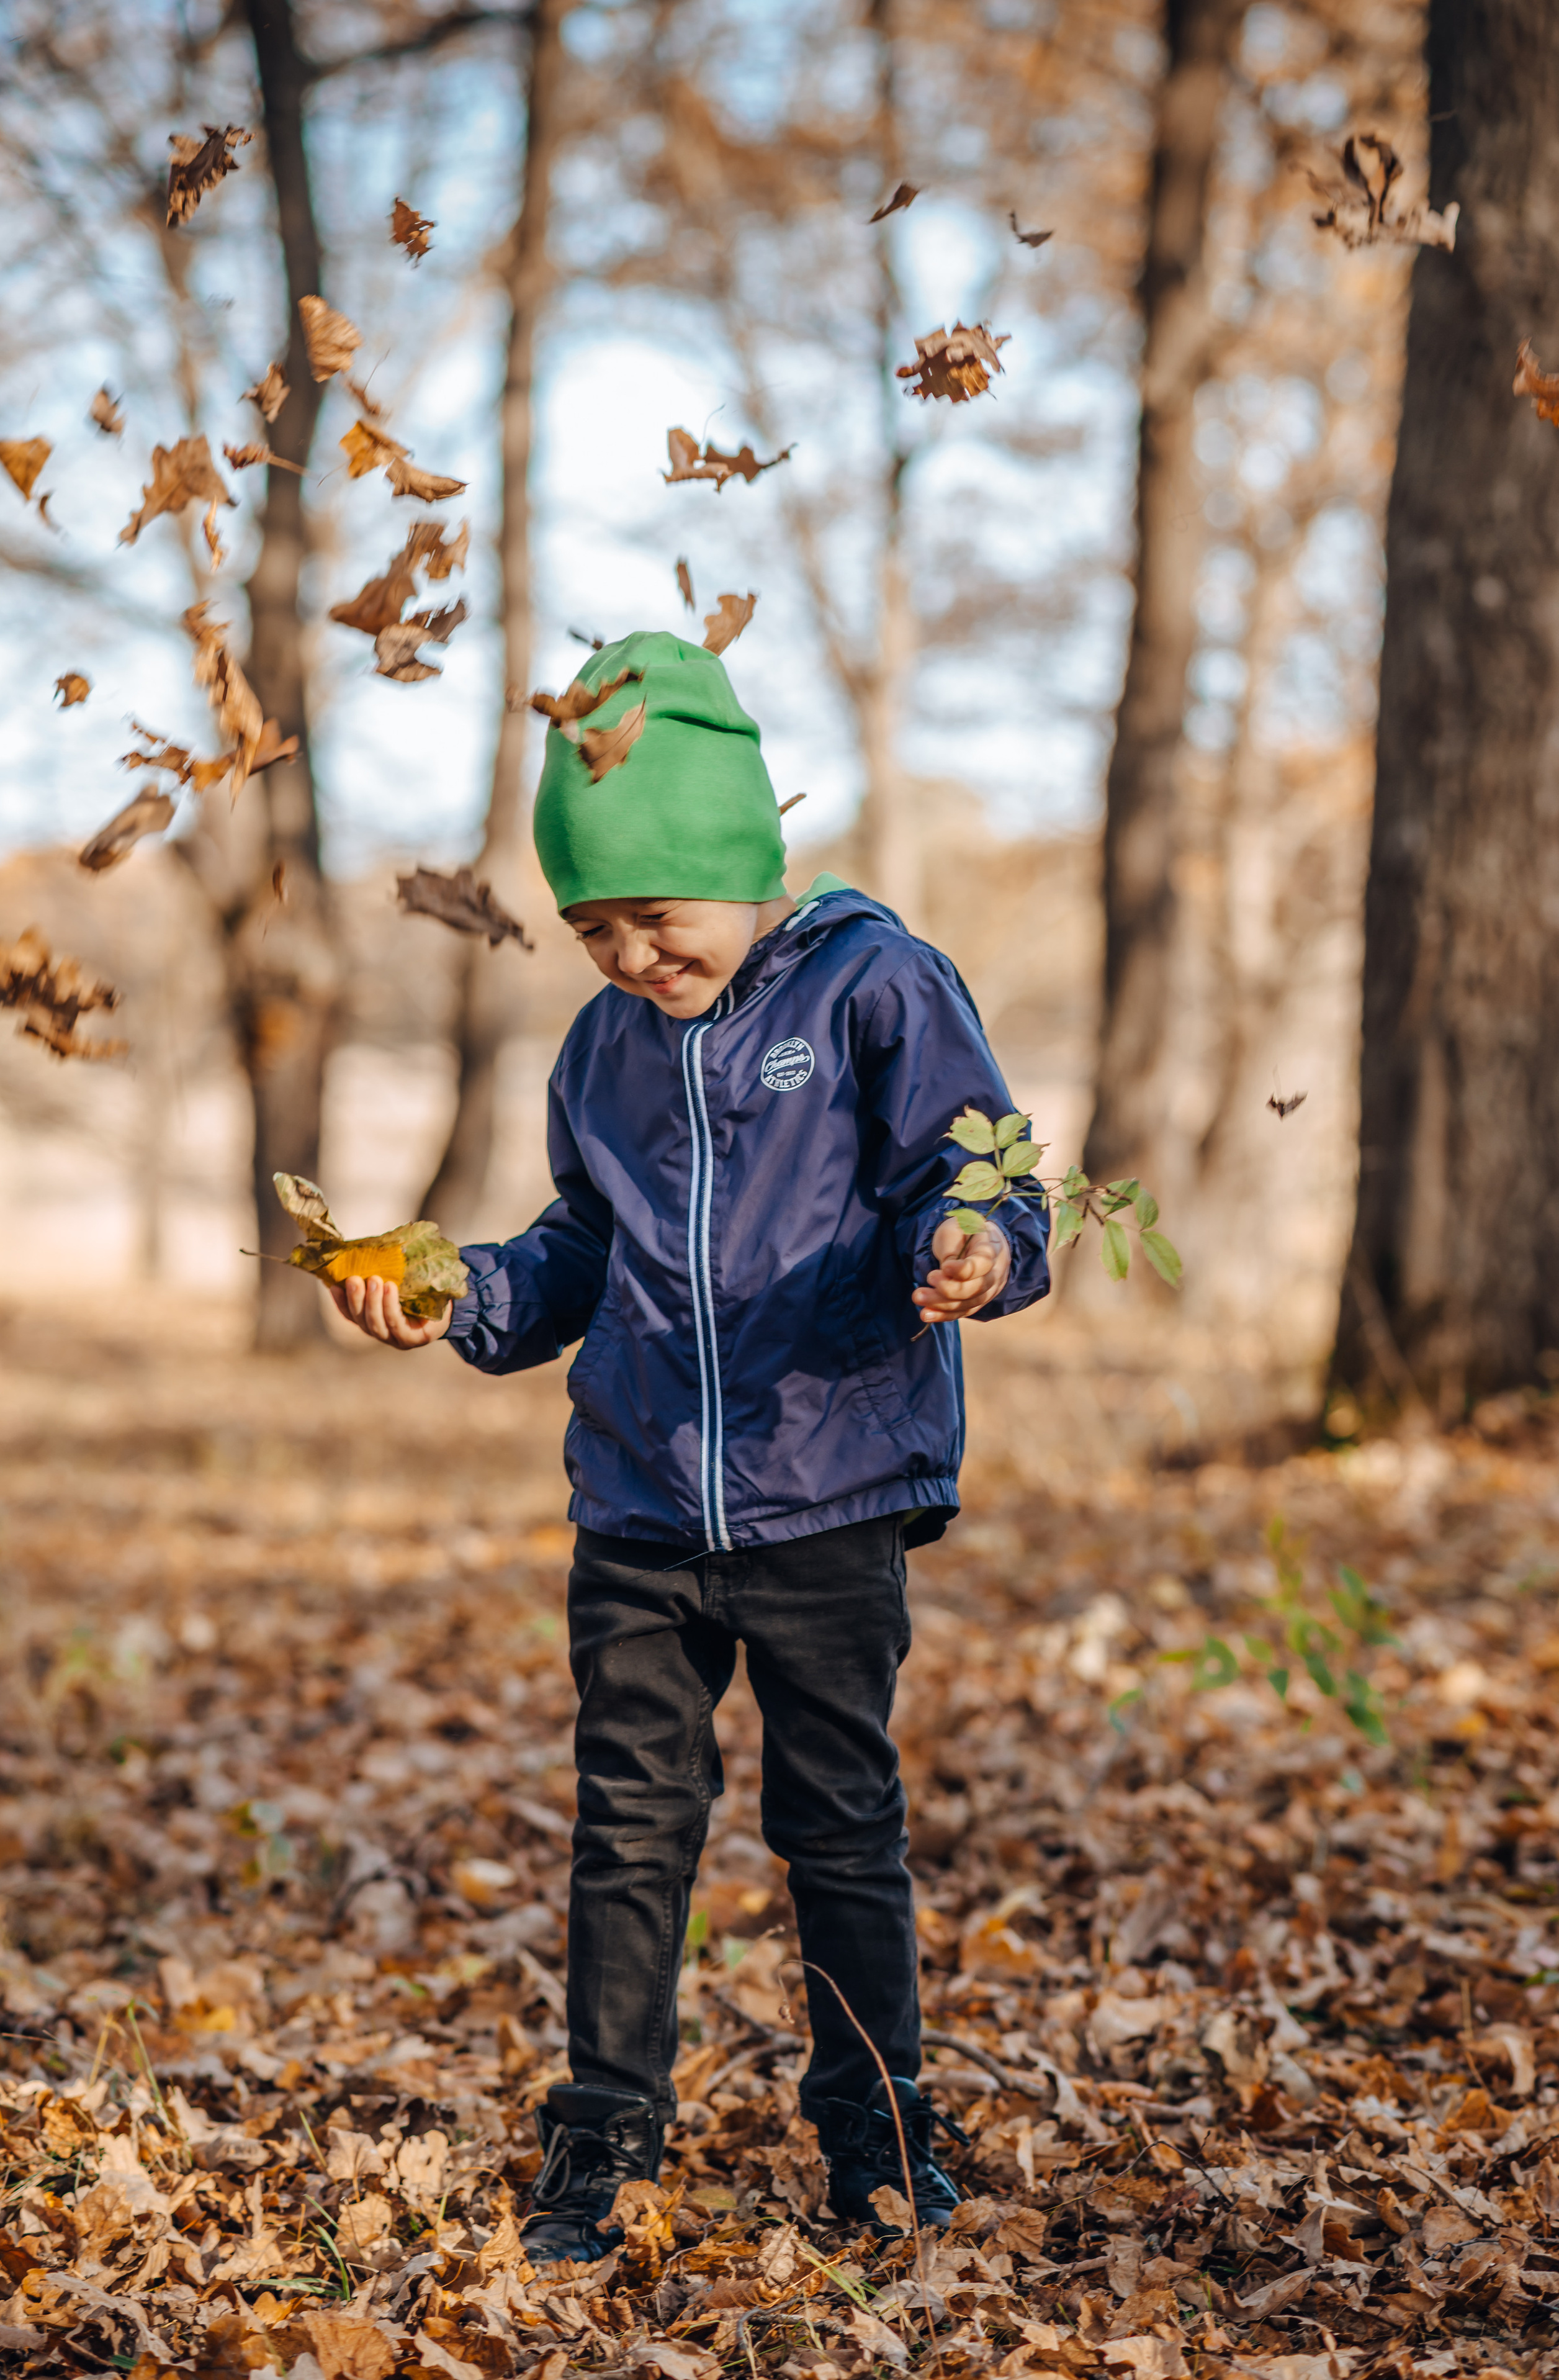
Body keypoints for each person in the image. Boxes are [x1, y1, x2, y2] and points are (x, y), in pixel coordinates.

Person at [326, 629, 1049, 2258]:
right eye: (593, 926)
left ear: (744, 858)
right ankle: (604, 2135)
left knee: (838, 1822)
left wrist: (981, 1242)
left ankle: (876, 2125)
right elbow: (577, 1247)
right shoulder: (603, 1054)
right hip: (641, 1507)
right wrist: (456, 1293)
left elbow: (980, 1162)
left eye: (659, 911)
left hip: (826, 1493)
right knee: (629, 1826)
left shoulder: (879, 983)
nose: (633, 952)